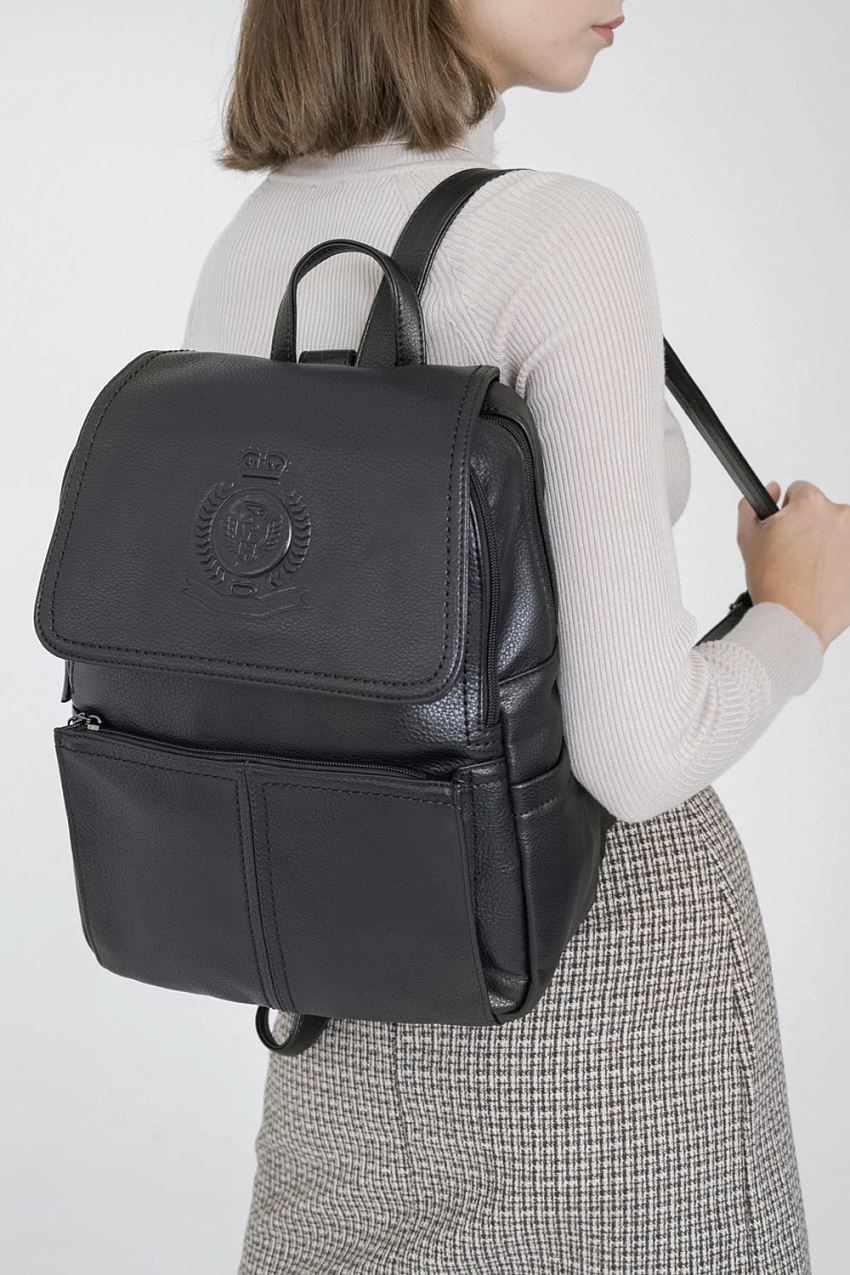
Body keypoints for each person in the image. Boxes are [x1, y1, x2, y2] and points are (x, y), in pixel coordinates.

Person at [181, 2, 850, 1270]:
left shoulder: (252, 243)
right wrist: (795, 616)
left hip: (337, 983)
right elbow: (637, 757)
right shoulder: (561, 235)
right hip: (599, 983)